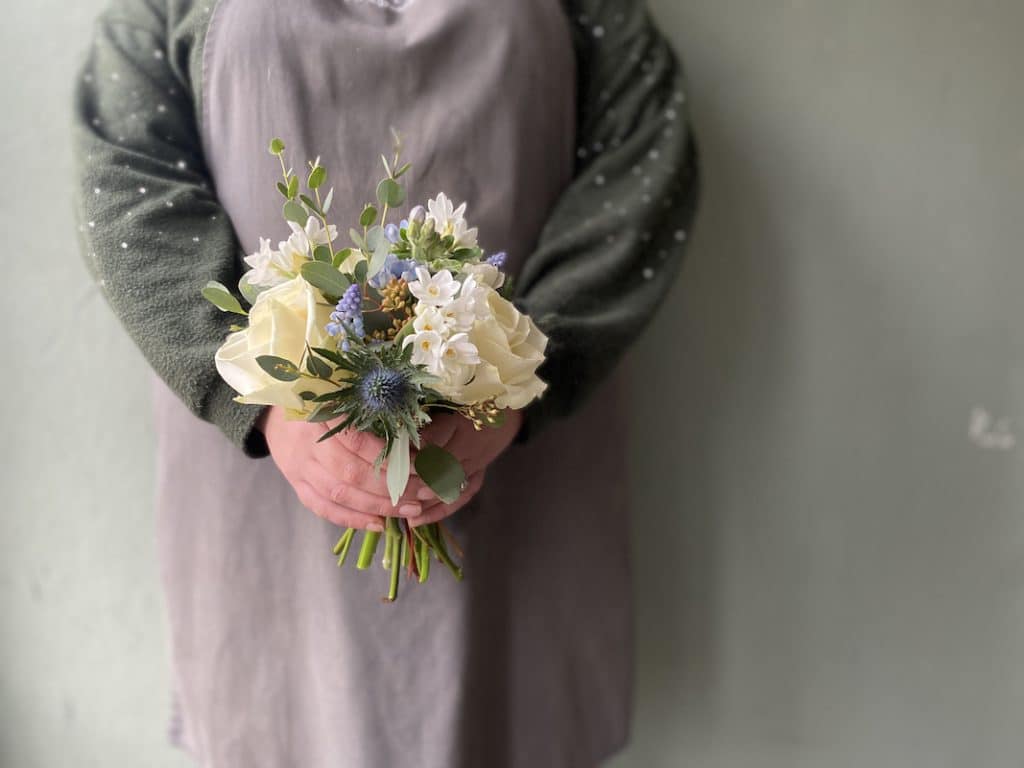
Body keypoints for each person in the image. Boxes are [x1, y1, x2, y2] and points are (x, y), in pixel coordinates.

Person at [71, 0, 699, 766]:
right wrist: (260, 402)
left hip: (524, 473)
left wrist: (521, 377)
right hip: (268, 489)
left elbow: (638, 162)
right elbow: (125, 173)